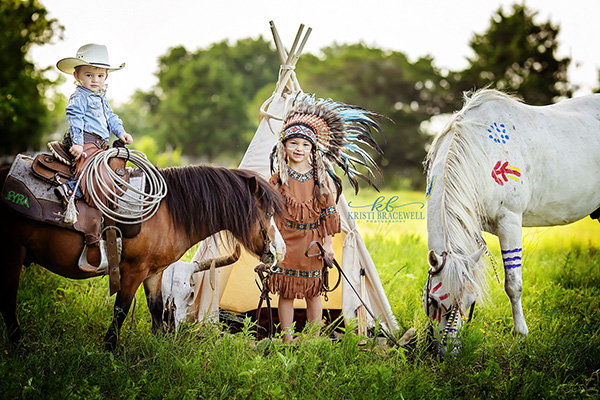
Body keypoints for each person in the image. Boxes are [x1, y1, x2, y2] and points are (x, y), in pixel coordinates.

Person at [268, 97, 384, 342]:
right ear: (284, 146)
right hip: (286, 245)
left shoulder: (321, 180)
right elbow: (267, 214)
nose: (299, 149)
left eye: (305, 145)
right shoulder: (278, 179)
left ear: (313, 149)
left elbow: (328, 215)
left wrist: (328, 245)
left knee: (313, 293)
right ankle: (287, 339)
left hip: (313, 244)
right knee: (286, 294)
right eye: (293, 143)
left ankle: (313, 339)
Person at [53, 43, 132, 208]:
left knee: (110, 166)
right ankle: (70, 189)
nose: (95, 80)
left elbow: (111, 117)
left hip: (99, 144)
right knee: (92, 169)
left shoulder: (102, 97)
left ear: (106, 77)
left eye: (100, 76)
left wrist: (121, 132)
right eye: (89, 75)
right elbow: (75, 117)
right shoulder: (79, 96)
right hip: (85, 141)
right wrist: (77, 142)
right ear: (77, 76)